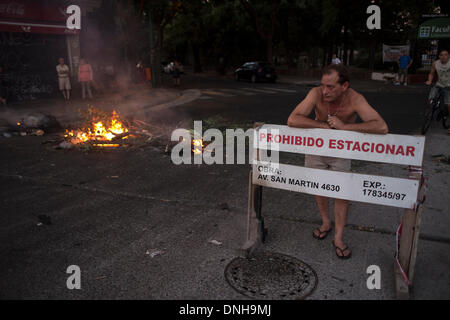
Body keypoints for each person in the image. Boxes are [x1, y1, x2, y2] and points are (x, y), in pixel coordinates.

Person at [287, 64, 388, 259]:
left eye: (331, 87)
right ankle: (326, 222)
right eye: (323, 85)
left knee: (341, 191)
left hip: (341, 150)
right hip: (316, 148)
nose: (325, 91)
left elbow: (381, 126)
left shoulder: (355, 98)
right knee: (319, 186)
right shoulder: (316, 94)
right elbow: (292, 120)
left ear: (345, 86)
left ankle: (339, 237)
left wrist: (345, 126)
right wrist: (322, 125)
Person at [426, 49, 450, 133]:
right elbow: (431, 73)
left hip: (448, 86)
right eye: (441, 55)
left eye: (445, 54)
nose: (443, 56)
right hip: (439, 84)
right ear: (439, 56)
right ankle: (430, 112)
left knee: (448, 105)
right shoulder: (435, 63)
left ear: (448, 56)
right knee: (431, 99)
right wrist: (429, 80)